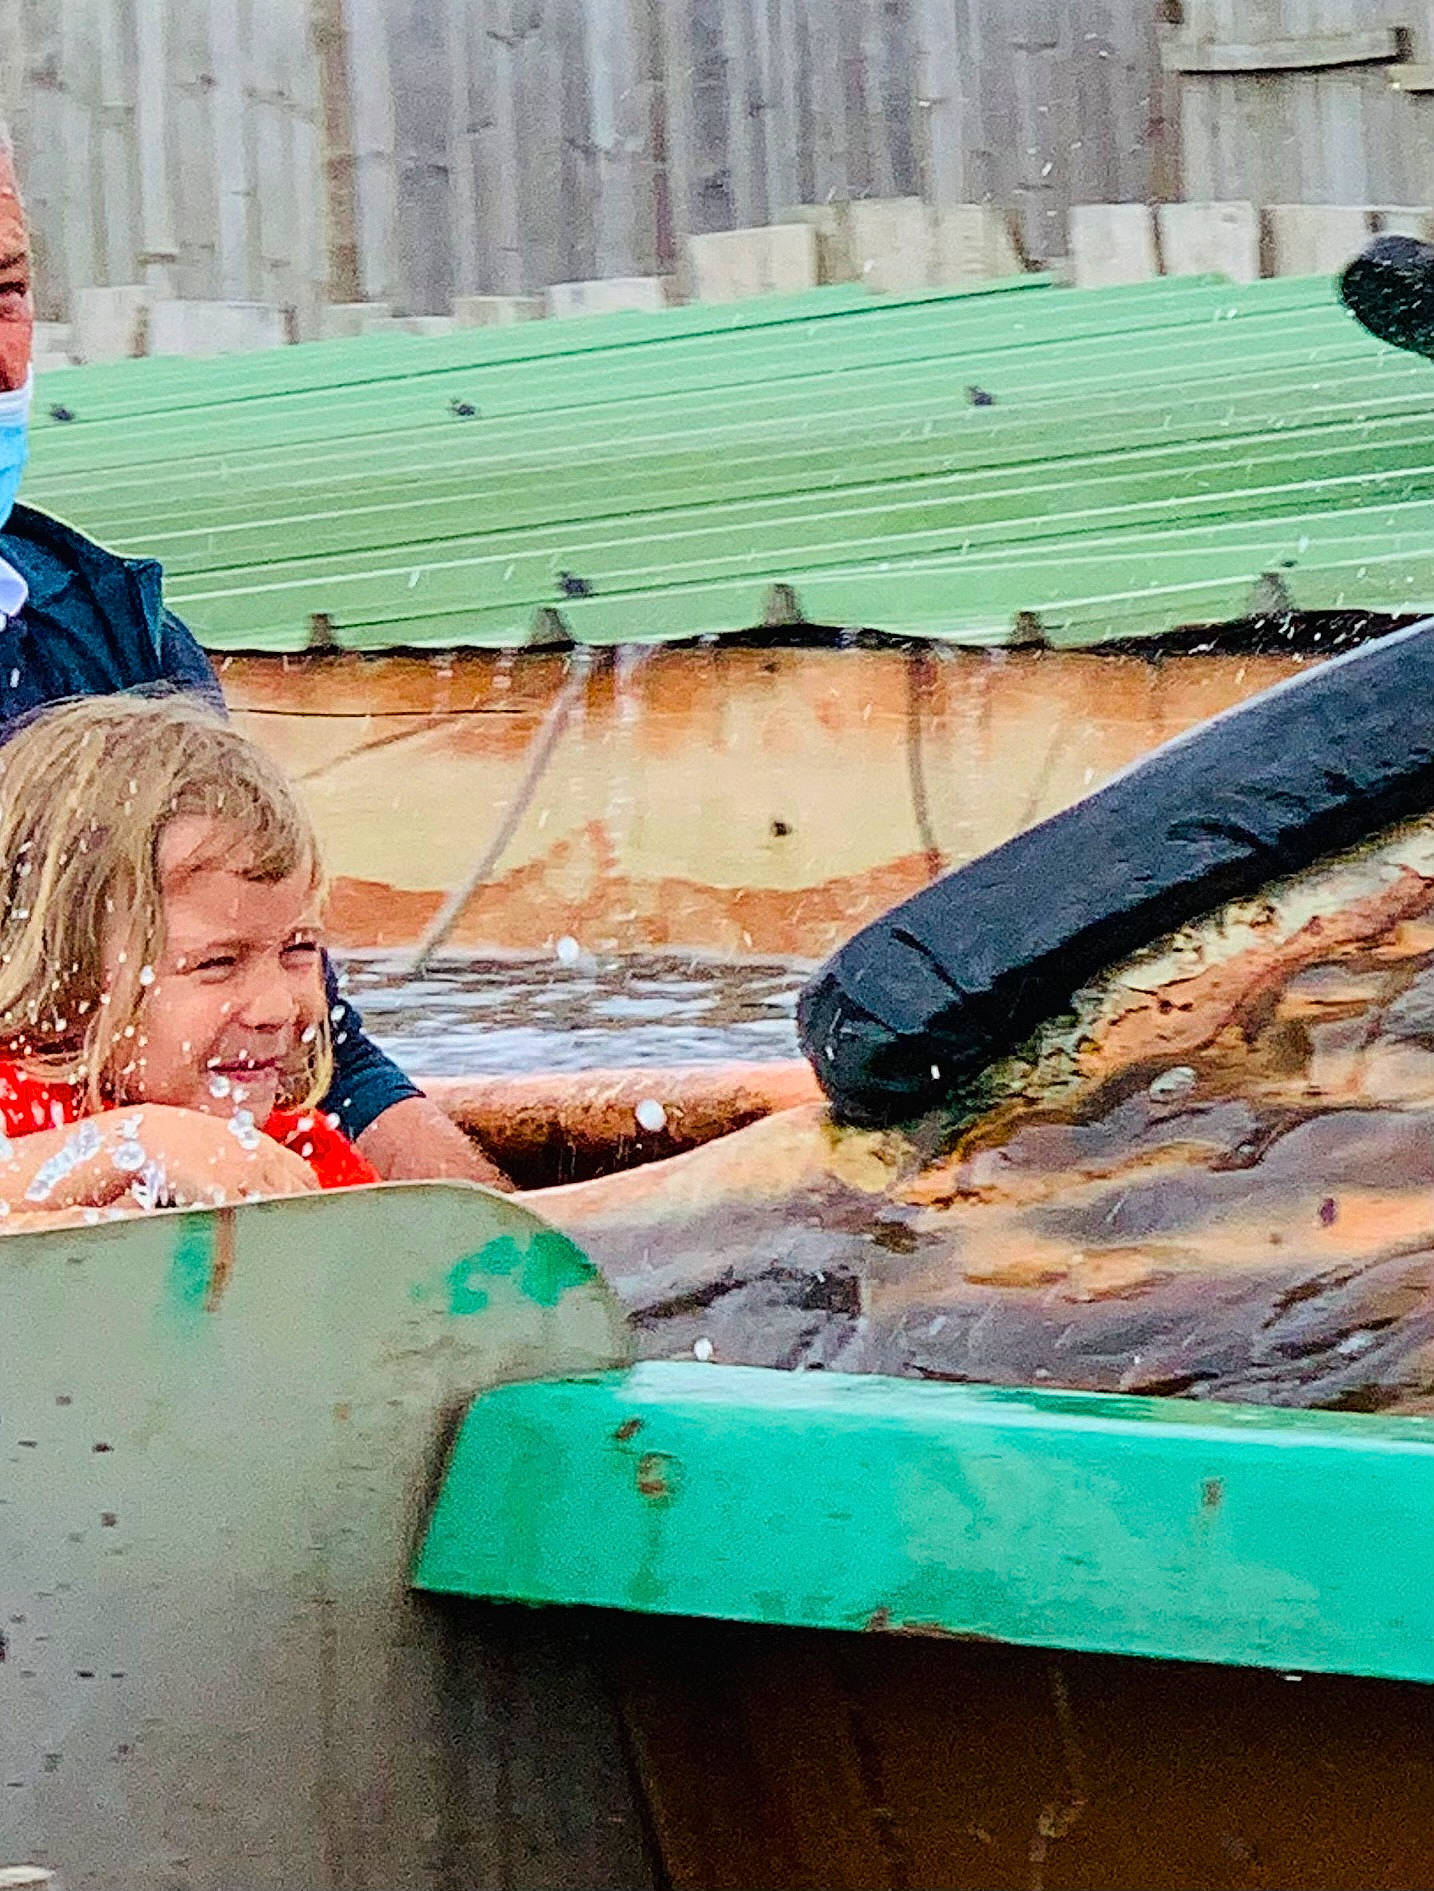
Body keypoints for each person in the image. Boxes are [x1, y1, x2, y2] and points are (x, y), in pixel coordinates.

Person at [0, 125, 506, 1187]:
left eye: (3, 291)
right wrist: (121, 1144)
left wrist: (536, 1265)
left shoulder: (106, 642)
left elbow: (322, 1062)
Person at [0, 693, 383, 1219]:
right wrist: (132, 1143)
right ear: (64, 983)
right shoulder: (19, 1105)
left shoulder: (286, 1149)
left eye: (297, 949)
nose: (275, 1008)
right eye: (218, 964)